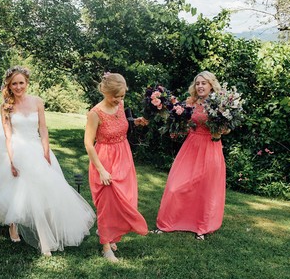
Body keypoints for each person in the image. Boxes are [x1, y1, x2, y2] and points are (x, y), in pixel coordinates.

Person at [0, 66, 95, 256]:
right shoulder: (6, 106)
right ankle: (16, 226)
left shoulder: (37, 102)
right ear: (9, 85)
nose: (18, 87)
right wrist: (11, 160)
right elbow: (8, 135)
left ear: (27, 83)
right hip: (16, 149)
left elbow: (43, 129)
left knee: (44, 191)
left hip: (37, 149)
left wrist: (46, 152)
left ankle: (45, 233)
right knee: (16, 189)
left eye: (21, 83)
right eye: (14, 84)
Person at [152, 71, 226, 240]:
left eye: (204, 83)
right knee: (174, 186)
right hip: (191, 146)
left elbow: (225, 130)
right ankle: (167, 224)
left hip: (210, 147)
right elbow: (186, 124)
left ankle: (202, 227)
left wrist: (220, 128)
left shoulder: (219, 104)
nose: (200, 86)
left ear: (211, 85)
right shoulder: (191, 102)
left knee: (205, 190)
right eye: (198, 83)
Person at [84, 73, 149, 262]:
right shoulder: (95, 113)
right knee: (107, 204)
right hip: (104, 160)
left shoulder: (120, 106)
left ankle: (110, 233)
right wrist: (101, 170)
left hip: (124, 158)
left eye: (122, 96)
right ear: (105, 92)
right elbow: (88, 143)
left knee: (125, 200)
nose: (119, 100)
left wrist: (134, 121)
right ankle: (106, 246)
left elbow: (119, 124)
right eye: (116, 96)